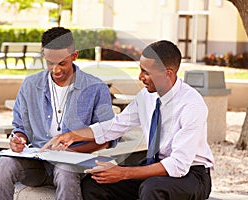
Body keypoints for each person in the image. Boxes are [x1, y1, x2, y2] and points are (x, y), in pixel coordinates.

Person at [42, 40, 215, 200]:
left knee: (151, 188)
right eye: (140, 69)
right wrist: (73, 136)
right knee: (94, 184)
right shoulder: (146, 97)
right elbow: (116, 125)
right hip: (155, 165)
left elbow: (178, 165)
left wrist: (123, 172)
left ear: (167, 73)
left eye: (146, 72)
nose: (140, 77)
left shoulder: (192, 105)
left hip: (193, 175)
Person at [0, 27, 116, 200]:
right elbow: (21, 127)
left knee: (65, 171)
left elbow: (108, 137)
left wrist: (73, 152)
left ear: (74, 55)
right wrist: (19, 139)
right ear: (43, 54)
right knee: (3, 164)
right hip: (36, 162)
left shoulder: (96, 88)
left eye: (62, 63)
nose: (56, 70)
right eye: (50, 62)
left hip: (72, 163)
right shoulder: (30, 85)